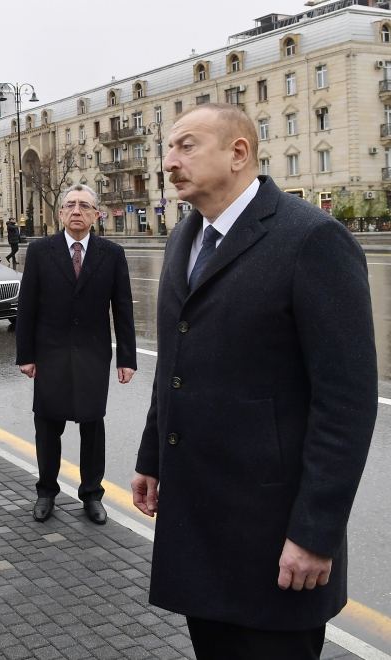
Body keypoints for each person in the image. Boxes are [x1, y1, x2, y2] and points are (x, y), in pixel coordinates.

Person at [130, 103, 376, 659]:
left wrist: (315, 533)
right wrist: (152, 458)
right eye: (168, 148)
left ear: (239, 152)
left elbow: (347, 403)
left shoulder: (311, 239)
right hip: (198, 528)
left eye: (186, 145)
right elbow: (175, 364)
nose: (168, 162)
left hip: (274, 539)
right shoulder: (184, 238)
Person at [15, 184, 136, 525]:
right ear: (60, 213)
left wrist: (127, 358)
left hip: (92, 356)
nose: (77, 211)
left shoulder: (111, 254)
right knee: (47, 428)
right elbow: (27, 308)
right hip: (50, 355)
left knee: (92, 429)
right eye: (70, 205)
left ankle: (92, 495)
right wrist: (26, 355)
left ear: (97, 214)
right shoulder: (41, 251)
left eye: (85, 206)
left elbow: (122, 309)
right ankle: (46, 492)